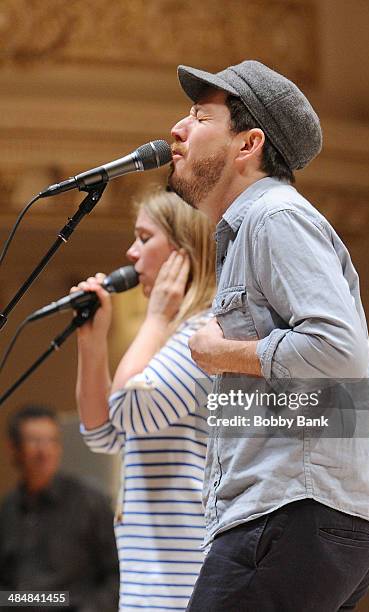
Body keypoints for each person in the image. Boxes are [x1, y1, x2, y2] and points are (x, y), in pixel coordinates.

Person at [168, 60, 369, 611]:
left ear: (248, 145)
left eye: (200, 116)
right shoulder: (259, 226)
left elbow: (337, 352)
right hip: (303, 515)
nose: (177, 128)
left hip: (293, 512)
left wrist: (220, 353)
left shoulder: (274, 217)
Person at [74, 189, 215, 611]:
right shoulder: (169, 339)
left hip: (181, 579)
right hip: (149, 575)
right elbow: (103, 434)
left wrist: (154, 319)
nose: (131, 253)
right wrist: (92, 343)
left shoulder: (203, 334)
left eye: (144, 237)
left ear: (181, 250)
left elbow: (130, 410)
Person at [0, 404, 119, 612]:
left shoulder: (90, 501)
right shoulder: (7, 510)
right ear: (14, 448)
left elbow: (117, 573)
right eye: (34, 441)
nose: (44, 451)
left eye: (51, 441)